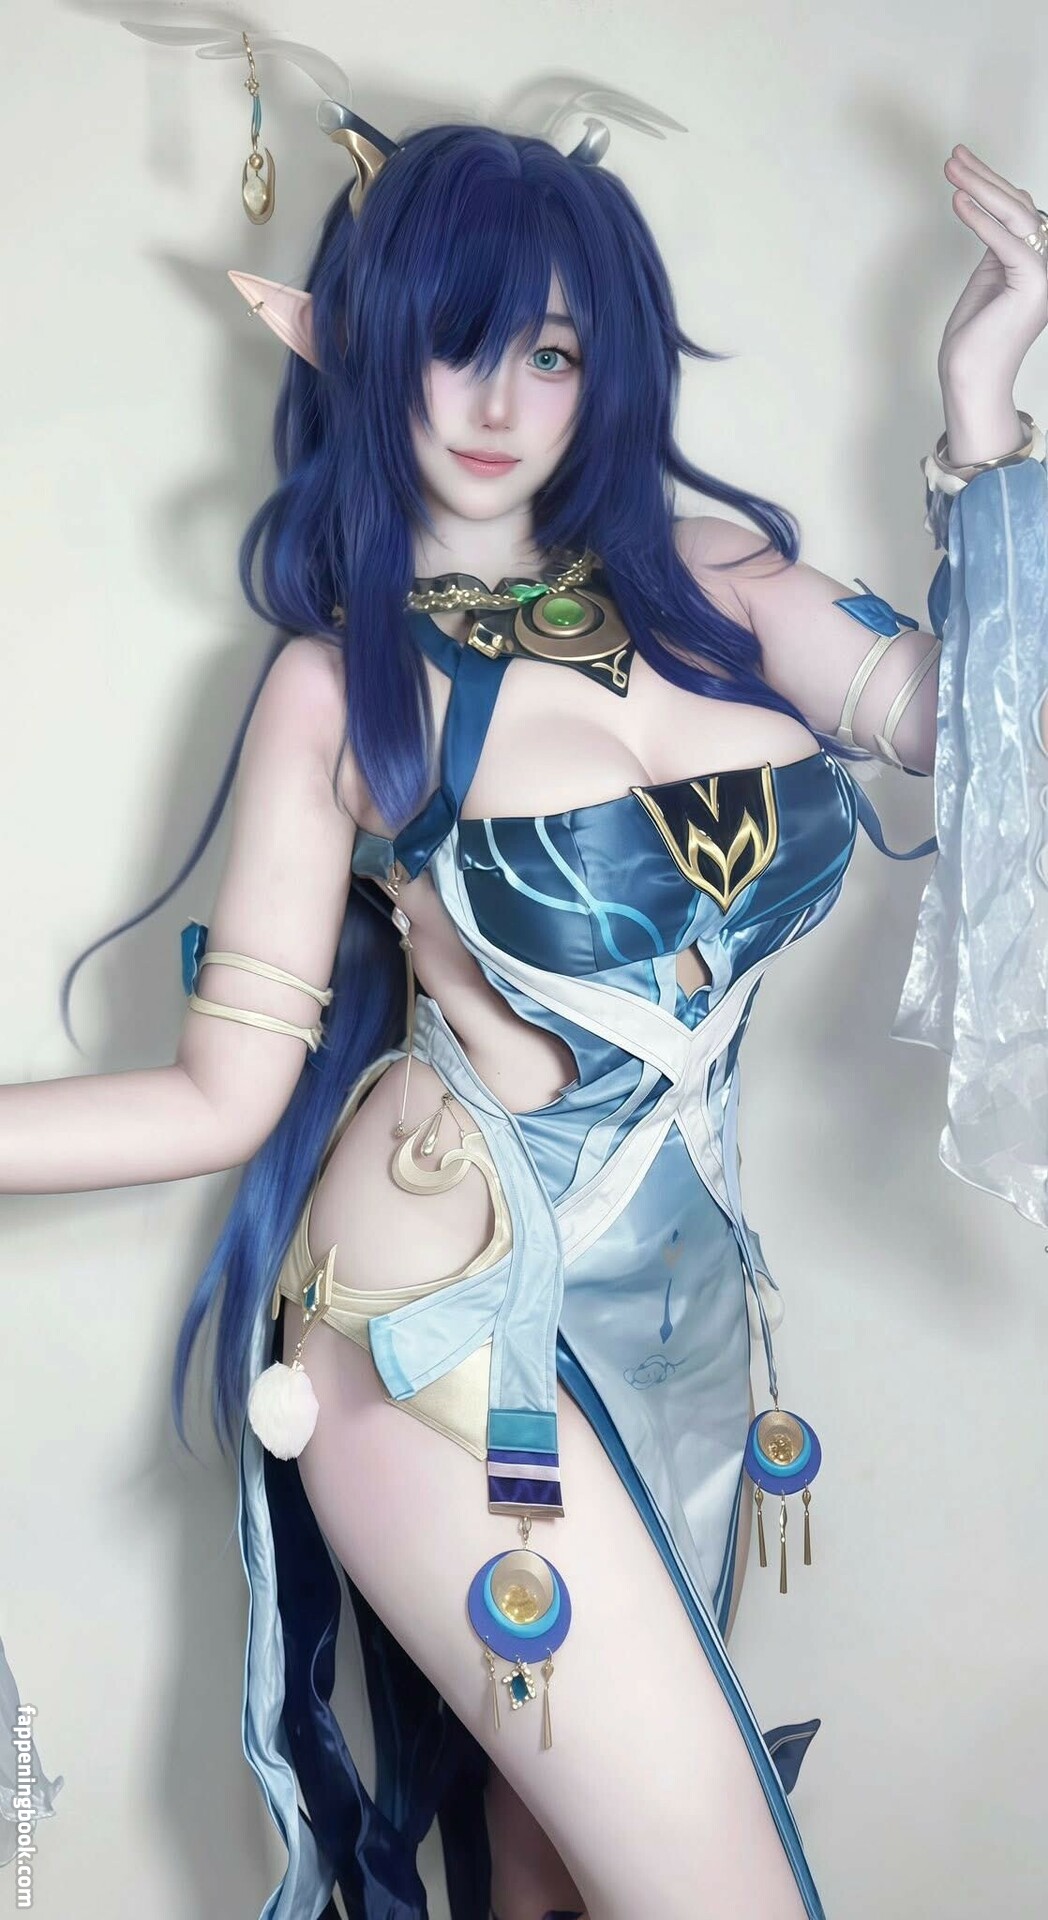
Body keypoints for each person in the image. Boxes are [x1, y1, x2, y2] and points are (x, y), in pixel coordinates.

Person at [3, 107, 1046, 1920]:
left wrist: (985, 415)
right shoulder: (342, 686)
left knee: (554, 1877)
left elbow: (1001, 753)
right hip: (444, 1325)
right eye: (453, 341)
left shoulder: (725, 588)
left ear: (604, 368)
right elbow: (212, 1098)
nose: (497, 399)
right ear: (359, 345)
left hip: (686, 1316)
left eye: (548, 352)